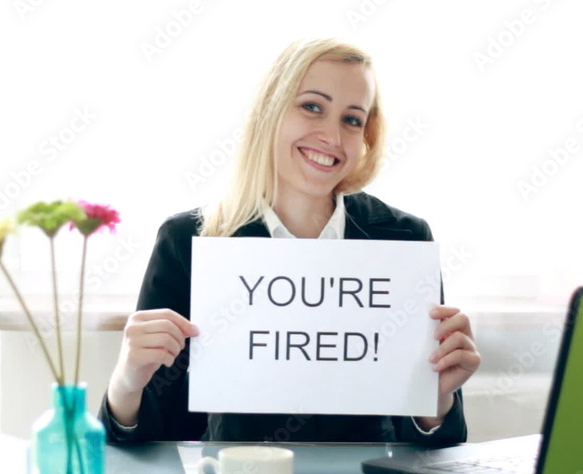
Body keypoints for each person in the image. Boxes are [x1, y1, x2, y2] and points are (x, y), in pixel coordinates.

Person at [99, 38, 480, 444]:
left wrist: (436, 401)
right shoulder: (188, 240)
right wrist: (127, 381)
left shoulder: (404, 242)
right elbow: (142, 442)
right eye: (312, 107)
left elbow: (432, 448)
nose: (332, 137)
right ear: (269, 112)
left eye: (352, 119)